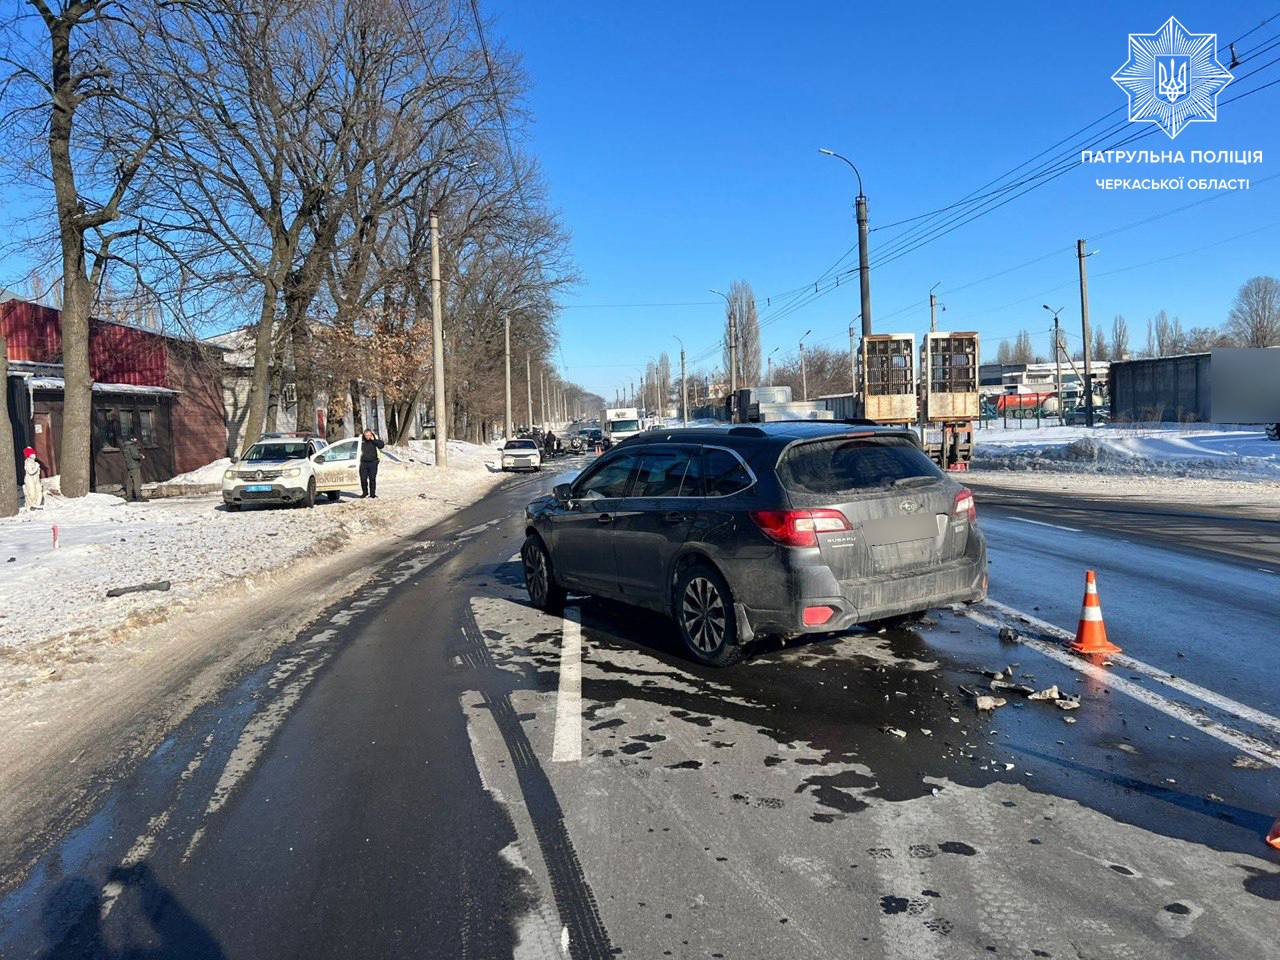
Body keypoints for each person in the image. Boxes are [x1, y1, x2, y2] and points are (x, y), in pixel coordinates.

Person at [359, 428, 384, 498]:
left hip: (373, 462)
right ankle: (365, 492)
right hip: (363, 462)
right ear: (364, 435)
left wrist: (374, 440)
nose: (367, 437)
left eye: (369, 435)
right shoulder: (361, 440)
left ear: (371, 435)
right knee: (363, 479)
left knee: (372, 478)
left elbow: (381, 445)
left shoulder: (374, 439)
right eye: (366, 435)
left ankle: (372, 494)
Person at [121, 434, 145, 502]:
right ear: (131, 439)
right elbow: (135, 456)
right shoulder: (132, 446)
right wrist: (141, 456)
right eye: (134, 438)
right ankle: (138, 497)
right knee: (137, 481)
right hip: (135, 466)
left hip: (129, 466)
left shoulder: (125, 447)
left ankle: (129, 496)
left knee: (129, 482)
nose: (136, 440)